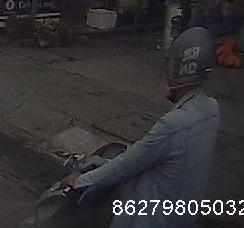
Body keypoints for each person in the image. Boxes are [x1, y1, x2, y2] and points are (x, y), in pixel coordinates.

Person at [62, 26, 220, 227]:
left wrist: (80, 181)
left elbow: (127, 164)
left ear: (179, 69)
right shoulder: (211, 109)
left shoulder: (173, 125)